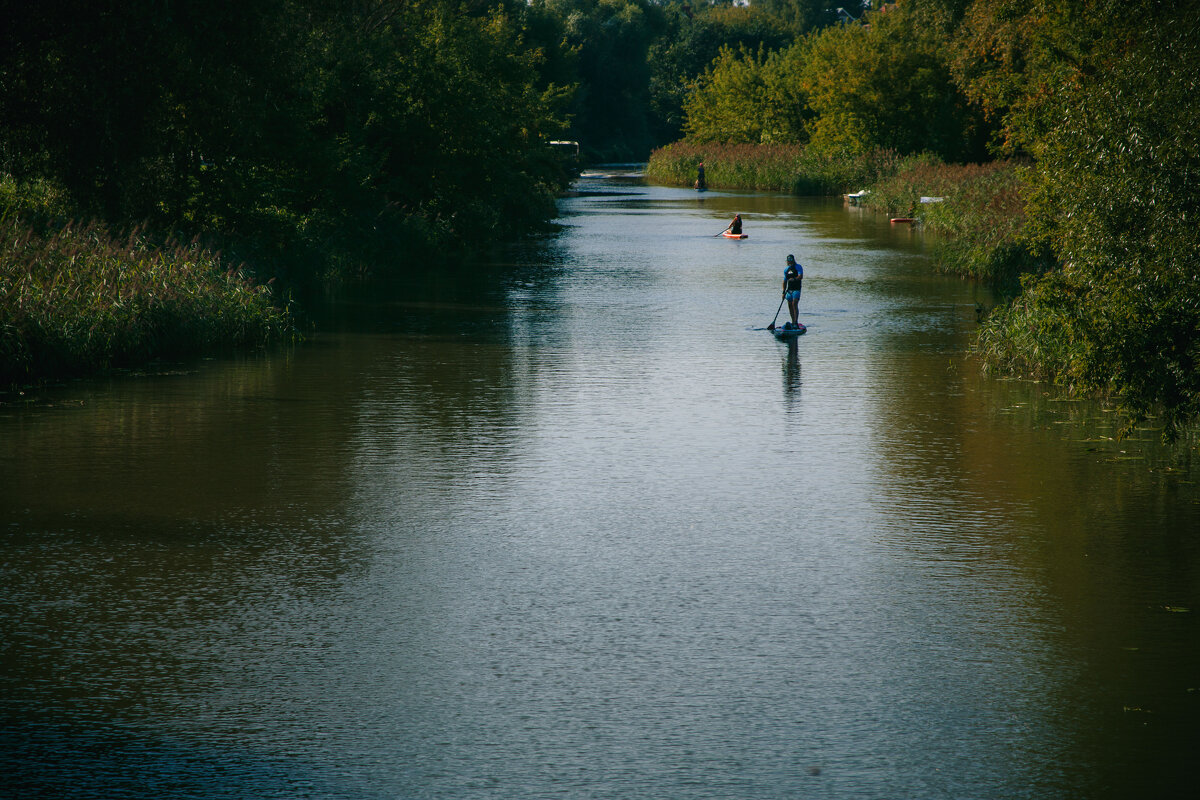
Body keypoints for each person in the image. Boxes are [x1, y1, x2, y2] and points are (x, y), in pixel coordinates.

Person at [782, 254, 803, 328]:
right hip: (789, 290)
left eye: (791, 259)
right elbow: (784, 281)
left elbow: (801, 276)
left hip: (796, 289)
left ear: (793, 260)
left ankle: (796, 322)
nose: (790, 261)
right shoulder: (786, 269)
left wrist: (794, 279)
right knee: (790, 305)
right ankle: (793, 321)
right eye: (788, 260)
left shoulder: (798, 267)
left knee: (794, 304)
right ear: (787, 261)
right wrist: (783, 292)